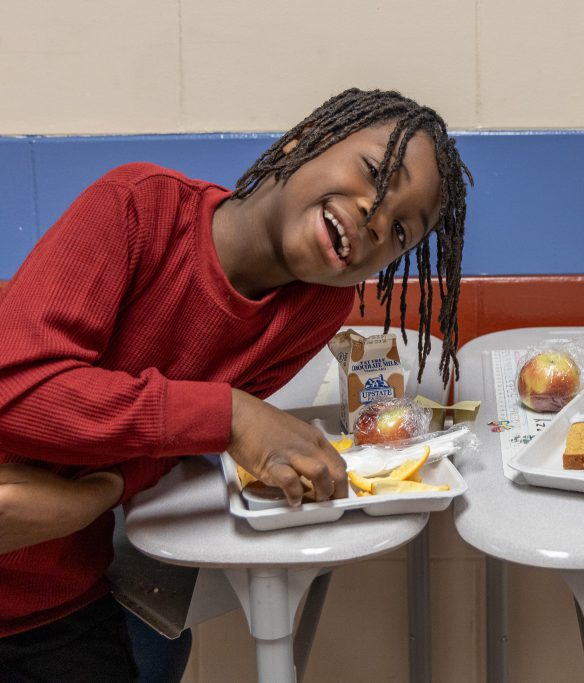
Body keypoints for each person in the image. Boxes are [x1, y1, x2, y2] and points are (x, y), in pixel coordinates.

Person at [0, 87, 471, 681]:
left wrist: (93, 497)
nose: (377, 220)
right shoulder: (137, 207)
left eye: (402, 232)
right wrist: (230, 416)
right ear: (304, 140)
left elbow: (160, 449)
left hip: (56, 599)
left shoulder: (315, 309)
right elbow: (13, 389)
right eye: (374, 174)